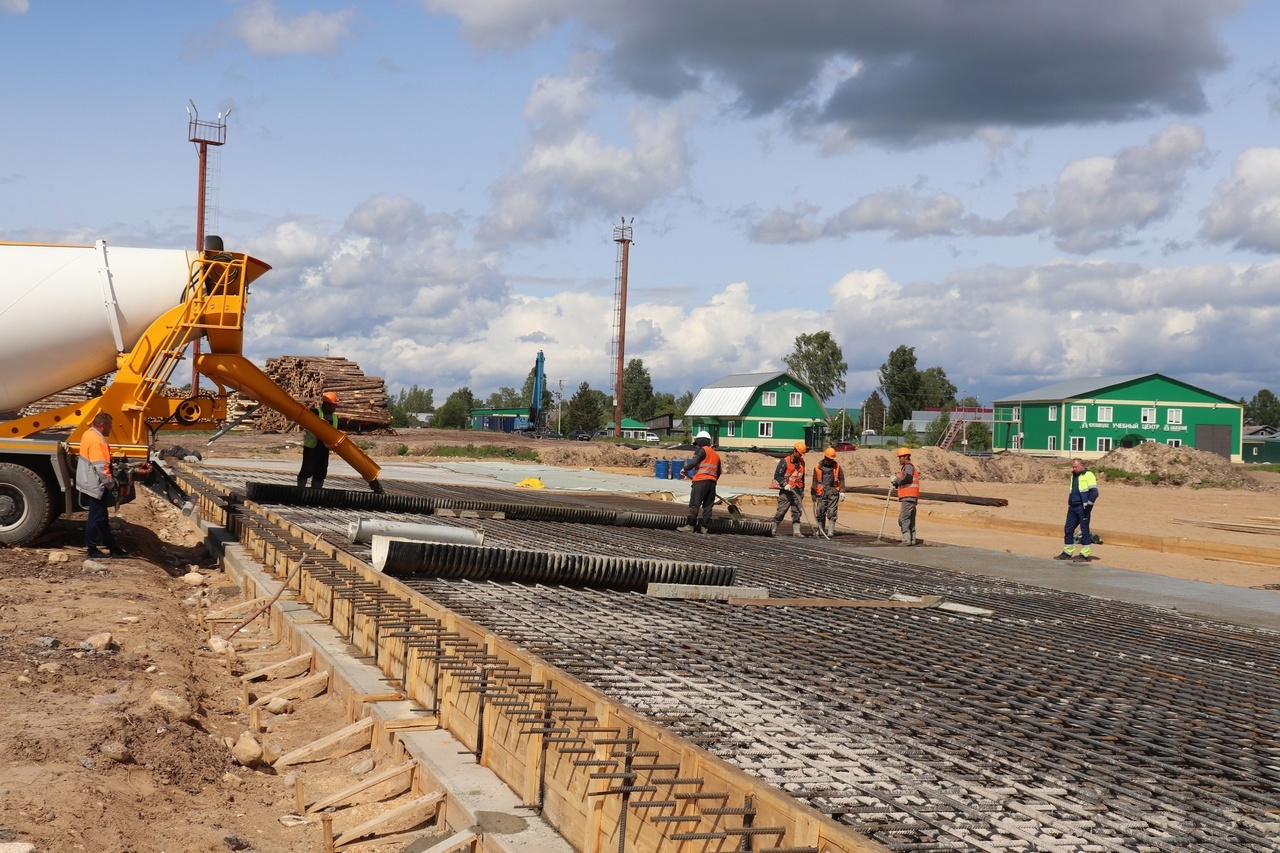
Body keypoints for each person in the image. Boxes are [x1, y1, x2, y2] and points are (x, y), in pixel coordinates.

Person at [75, 412, 127, 558]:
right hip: (95, 483)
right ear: (102, 425)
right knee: (96, 517)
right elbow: (102, 467)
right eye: (110, 425)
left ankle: (111, 546)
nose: (111, 428)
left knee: (102, 517)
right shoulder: (98, 440)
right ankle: (91, 549)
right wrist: (111, 484)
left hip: (88, 479)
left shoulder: (88, 433)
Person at [676, 430, 721, 533]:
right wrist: (711, 479)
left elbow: (694, 462)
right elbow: (719, 472)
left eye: (697, 444)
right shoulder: (716, 454)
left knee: (694, 504)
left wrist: (684, 469)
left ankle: (690, 526)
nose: (697, 446)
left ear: (701, 441)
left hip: (700, 482)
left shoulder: (701, 450)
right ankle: (704, 528)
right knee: (708, 506)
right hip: (712, 483)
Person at [1056, 458, 1099, 562]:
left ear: (1082, 466)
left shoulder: (1089, 475)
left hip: (1083, 508)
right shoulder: (1074, 476)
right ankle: (1067, 552)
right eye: (1073, 467)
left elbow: (1094, 493)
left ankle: (1084, 554)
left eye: (1075, 467)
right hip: (1073, 507)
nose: (1074, 468)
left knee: (1084, 530)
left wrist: (1088, 505)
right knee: (1068, 529)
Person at [298, 391, 339, 489]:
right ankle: (300, 490)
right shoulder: (315, 413)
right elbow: (304, 423)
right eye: (333, 405)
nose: (335, 408)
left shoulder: (335, 418)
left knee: (321, 472)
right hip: (312, 447)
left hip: (324, 448)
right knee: (307, 469)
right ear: (327, 404)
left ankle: (316, 493)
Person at [771, 441, 808, 537]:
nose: (800, 456)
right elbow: (777, 475)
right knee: (781, 511)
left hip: (797, 490)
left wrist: (802, 489)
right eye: (799, 454)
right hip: (786, 491)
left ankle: (796, 531)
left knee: (797, 512)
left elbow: (801, 476)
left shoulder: (802, 462)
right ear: (794, 451)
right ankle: (773, 528)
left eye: (801, 454)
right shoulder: (785, 461)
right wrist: (785, 484)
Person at [811, 446, 845, 537]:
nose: (830, 461)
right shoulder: (817, 467)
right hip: (821, 492)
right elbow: (814, 480)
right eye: (829, 459)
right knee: (820, 511)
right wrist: (813, 492)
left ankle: (830, 532)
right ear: (825, 457)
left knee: (832, 511)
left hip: (833, 492)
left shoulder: (837, 466)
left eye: (831, 459)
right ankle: (821, 530)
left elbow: (841, 478)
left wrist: (842, 491)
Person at [891, 447, 920, 546]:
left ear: (906, 457)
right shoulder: (907, 467)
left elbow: (907, 478)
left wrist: (896, 480)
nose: (899, 459)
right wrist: (895, 484)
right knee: (910, 519)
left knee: (903, 518)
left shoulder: (908, 466)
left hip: (908, 496)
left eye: (900, 457)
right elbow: (904, 481)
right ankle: (912, 539)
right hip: (911, 497)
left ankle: (906, 539)